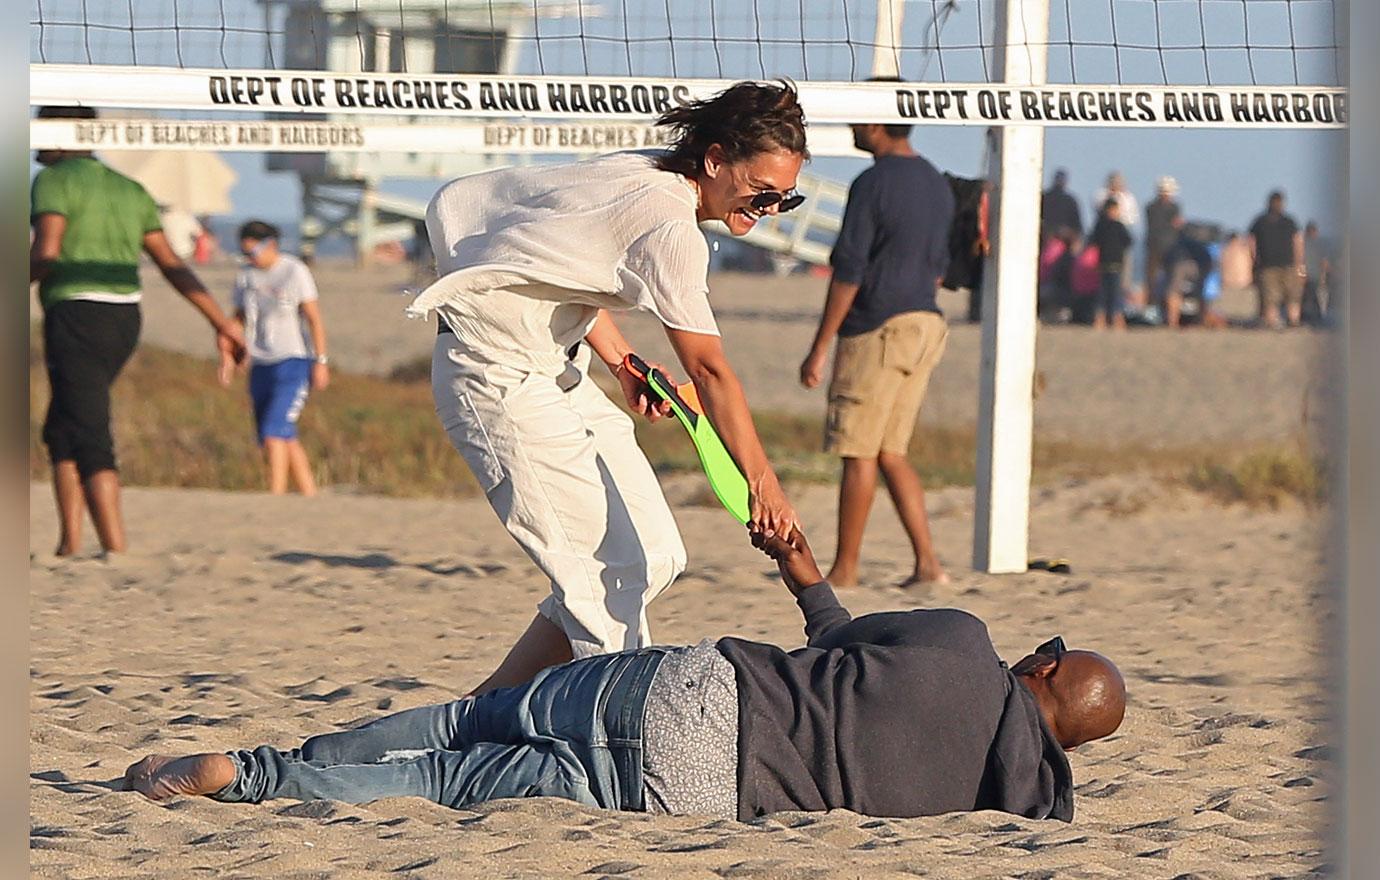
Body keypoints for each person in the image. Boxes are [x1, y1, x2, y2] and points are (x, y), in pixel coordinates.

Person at [122, 528, 1126, 822]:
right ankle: (261, 786)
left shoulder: (959, 638)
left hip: (704, 691)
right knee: (450, 786)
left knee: (470, 721)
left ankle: (256, 759)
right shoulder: (1014, 806)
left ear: (1037, 664)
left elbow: (837, 642)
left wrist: (802, 569)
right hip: (702, 790)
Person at [406, 81, 808, 696]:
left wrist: (621, 362)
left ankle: (482, 708)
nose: (770, 209)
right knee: (606, 580)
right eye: (762, 192)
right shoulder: (672, 227)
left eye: (788, 198)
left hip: (559, 368)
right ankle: (602, 735)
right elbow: (708, 371)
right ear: (715, 160)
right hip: (495, 378)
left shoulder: (645, 171)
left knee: (655, 558)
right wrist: (764, 483)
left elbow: (566, 263)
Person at [29, 105, 245, 557]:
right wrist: (219, 321)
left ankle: (116, 551)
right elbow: (171, 264)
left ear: (62, 134)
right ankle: (69, 545)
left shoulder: (53, 181)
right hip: (124, 319)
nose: (35, 137)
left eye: (41, 127)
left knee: (89, 431)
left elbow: (46, 252)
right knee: (63, 425)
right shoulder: (130, 188)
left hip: (77, 312)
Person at [797, 101, 955, 589]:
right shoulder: (936, 181)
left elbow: (850, 269)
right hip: (926, 321)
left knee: (859, 451)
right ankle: (928, 564)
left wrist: (820, 345)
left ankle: (845, 568)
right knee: (892, 452)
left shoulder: (873, 183)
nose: (850, 124)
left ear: (875, 121)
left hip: (879, 326)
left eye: (857, 115)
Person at [218, 221, 330, 496]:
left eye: (253, 251)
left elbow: (314, 319)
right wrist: (228, 356)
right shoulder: (246, 276)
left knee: (273, 431)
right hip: (260, 363)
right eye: (244, 253)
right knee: (283, 435)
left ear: (270, 245)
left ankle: (275, 495)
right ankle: (309, 494)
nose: (249, 258)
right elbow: (237, 319)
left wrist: (321, 361)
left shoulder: (294, 271)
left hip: (292, 360)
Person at [1248, 190, 1305, 329]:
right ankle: (1291, 321)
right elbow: (1298, 242)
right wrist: (1300, 264)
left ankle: (1277, 322)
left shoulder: (1261, 221)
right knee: (1288, 297)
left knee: (1275, 298)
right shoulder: (1288, 221)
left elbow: (1251, 243)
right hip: (1278, 266)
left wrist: (1254, 260)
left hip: (1271, 265)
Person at [1089, 199, 1132, 331]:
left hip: (1116, 263)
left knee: (1115, 293)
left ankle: (1116, 319)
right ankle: (1100, 318)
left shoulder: (1119, 226)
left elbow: (1128, 241)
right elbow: (1093, 241)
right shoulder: (1101, 225)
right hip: (1103, 263)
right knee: (1102, 293)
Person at [1143, 176, 1182, 304]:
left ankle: (1165, 303)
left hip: (1170, 247)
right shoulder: (1152, 207)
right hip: (1156, 246)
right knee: (1152, 278)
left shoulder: (1174, 207)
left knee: (1169, 278)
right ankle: (1151, 303)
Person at [1040, 168, 1083, 244]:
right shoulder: (1070, 200)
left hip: (1060, 239)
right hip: (1049, 236)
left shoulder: (1070, 200)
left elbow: (1077, 227)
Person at [1301, 221, 1331, 325]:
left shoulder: (1304, 243)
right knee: (1312, 297)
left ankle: (1311, 316)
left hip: (1311, 275)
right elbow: (1324, 262)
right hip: (1311, 275)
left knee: (1310, 297)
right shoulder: (1317, 244)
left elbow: (1324, 262)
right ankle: (1314, 316)